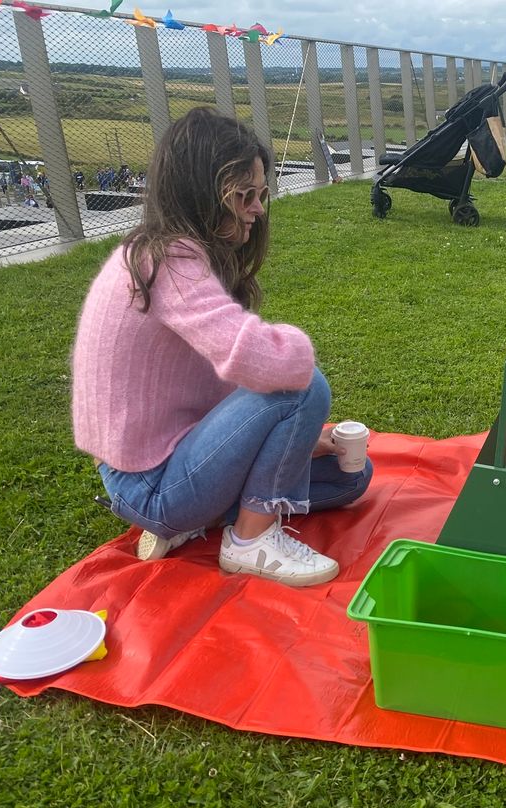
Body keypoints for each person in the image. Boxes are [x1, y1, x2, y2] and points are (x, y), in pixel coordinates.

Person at [72, 106, 372, 587]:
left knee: (352, 475)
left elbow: (221, 382)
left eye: (261, 193)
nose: (257, 207)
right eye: (244, 195)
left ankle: (199, 522)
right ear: (203, 194)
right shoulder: (170, 260)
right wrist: (298, 364)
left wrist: (300, 443)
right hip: (150, 484)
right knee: (302, 384)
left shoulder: (159, 252)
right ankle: (250, 542)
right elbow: (261, 362)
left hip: (158, 467)